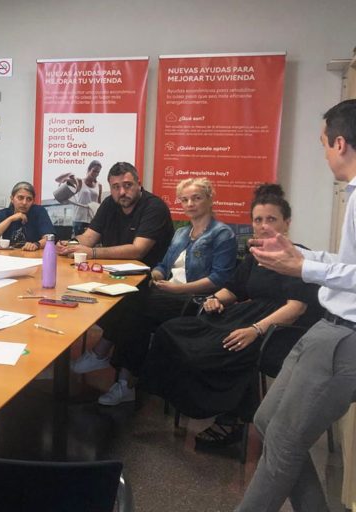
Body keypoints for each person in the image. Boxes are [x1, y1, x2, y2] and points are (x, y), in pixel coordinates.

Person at [236, 100, 356, 511]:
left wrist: (303, 268)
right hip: (329, 327)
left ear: (339, 143)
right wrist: (304, 256)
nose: (324, 154)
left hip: (345, 338)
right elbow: (347, 264)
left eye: (323, 144)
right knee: (267, 421)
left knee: (285, 440)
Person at [141, 185, 321, 448]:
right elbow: (234, 289)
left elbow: (296, 308)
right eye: (258, 220)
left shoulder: (298, 257)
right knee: (172, 331)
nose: (263, 226)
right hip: (244, 316)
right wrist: (216, 299)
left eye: (271, 219)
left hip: (278, 329)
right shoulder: (256, 255)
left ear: (287, 223)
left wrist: (255, 330)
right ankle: (185, 399)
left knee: (216, 349)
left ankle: (231, 419)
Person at [72, 178, 237, 405]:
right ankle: (125, 382)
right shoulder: (182, 233)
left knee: (133, 307)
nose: (190, 204)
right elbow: (163, 265)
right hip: (168, 294)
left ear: (210, 199)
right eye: (185, 199)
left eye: (196, 198)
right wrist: (158, 275)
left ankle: (105, 356)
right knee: (130, 309)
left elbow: (220, 279)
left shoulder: (222, 234)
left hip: (196, 301)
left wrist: (178, 289)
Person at [56, 162, 174, 405]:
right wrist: (69, 244)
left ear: (139, 184)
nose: (122, 192)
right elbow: (89, 237)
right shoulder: (110, 204)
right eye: (116, 187)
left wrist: (92, 253)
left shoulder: (154, 207)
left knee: (133, 309)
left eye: (128, 185)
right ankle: (101, 354)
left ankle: (124, 381)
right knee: (87, 296)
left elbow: (138, 250)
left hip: (153, 279)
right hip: (115, 275)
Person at [0, 181, 55, 251]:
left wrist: (36, 245)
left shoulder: (39, 212)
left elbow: (50, 239)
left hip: (32, 255)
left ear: (33, 201)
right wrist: (10, 219)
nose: (24, 202)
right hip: (9, 255)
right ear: (12, 199)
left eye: (29, 199)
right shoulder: (4, 213)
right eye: (20, 198)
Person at [55, 160, 103, 235]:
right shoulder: (80, 181)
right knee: (78, 241)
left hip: (92, 220)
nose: (96, 174)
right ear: (89, 169)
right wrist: (69, 174)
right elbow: (57, 179)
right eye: (94, 171)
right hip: (79, 220)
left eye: (98, 172)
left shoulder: (99, 185)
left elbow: (99, 204)